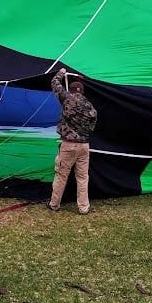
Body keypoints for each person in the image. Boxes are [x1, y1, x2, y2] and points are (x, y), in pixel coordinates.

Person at [47, 67, 97, 214]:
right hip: (84, 146)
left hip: (68, 145)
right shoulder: (90, 107)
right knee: (82, 177)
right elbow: (92, 126)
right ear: (81, 91)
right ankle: (83, 207)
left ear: (71, 90)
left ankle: (54, 204)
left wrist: (61, 73)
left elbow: (55, 83)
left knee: (61, 175)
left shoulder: (67, 98)